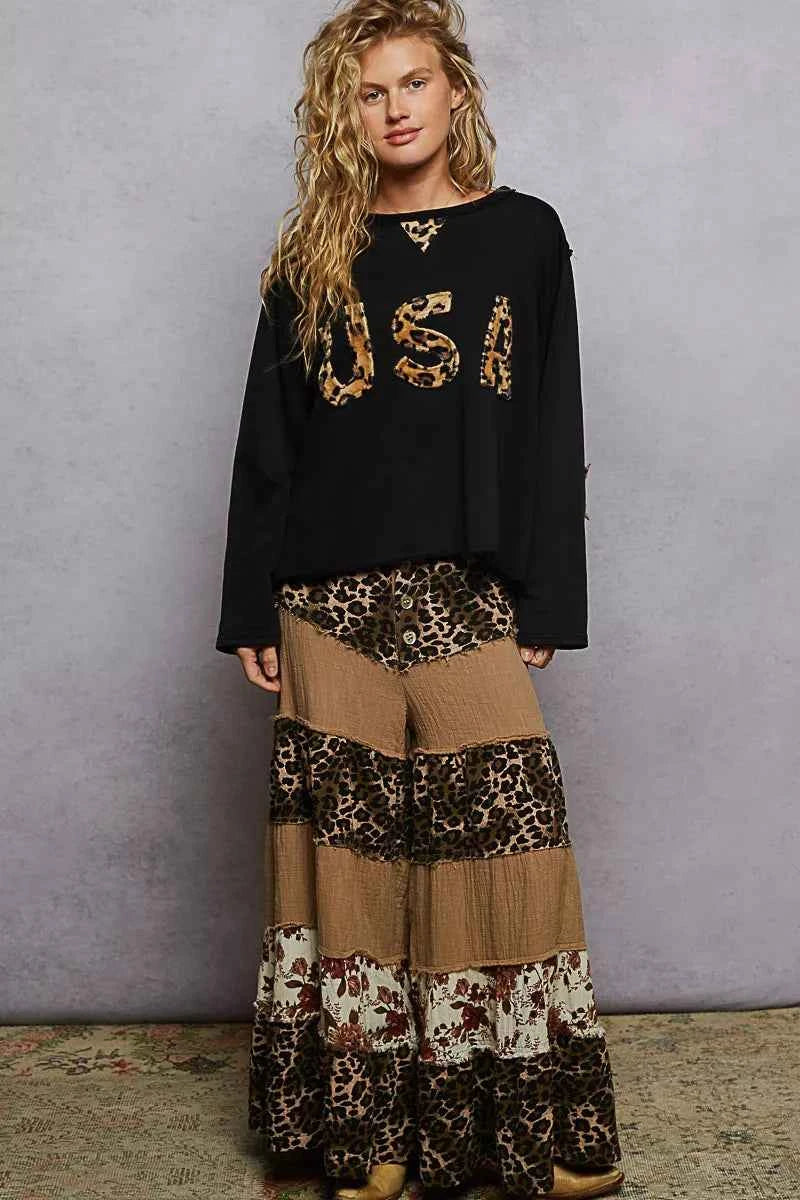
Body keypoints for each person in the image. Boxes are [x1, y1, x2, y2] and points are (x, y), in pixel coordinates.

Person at [215, 2, 625, 1198]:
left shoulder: (523, 234)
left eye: (412, 82)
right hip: (325, 592)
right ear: (341, 113)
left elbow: (550, 420)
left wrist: (548, 594)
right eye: (368, 90)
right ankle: (371, 1140)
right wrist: (248, 606)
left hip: (466, 589)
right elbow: (268, 443)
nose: (394, 108)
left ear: (455, 92)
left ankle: (527, 1132)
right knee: (349, 867)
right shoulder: (313, 253)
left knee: (505, 842)